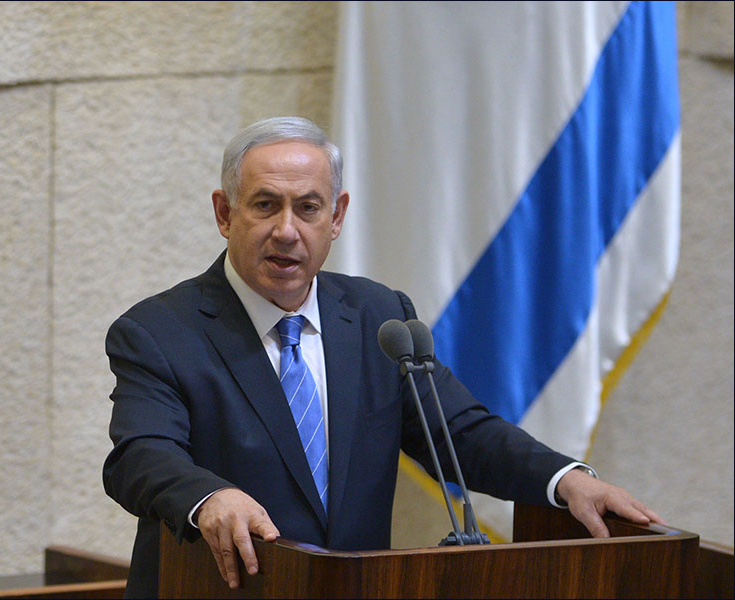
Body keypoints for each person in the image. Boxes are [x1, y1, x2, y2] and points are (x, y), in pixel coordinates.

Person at [103, 116, 663, 598]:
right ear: (225, 214)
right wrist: (208, 497)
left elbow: (460, 433)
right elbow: (140, 455)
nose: (287, 231)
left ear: (337, 216)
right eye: (265, 206)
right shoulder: (159, 332)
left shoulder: (376, 317)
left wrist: (565, 479)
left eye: (308, 207)